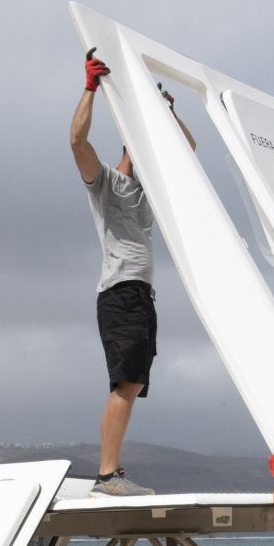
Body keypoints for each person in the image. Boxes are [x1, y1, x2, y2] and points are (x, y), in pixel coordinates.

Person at [72, 48, 196, 497]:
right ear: (131, 148)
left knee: (134, 381)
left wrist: (166, 112)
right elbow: (76, 143)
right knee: (125, 382)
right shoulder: (106, 183)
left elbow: (188, 150)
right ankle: (107, 475)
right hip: (120, 292)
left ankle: (111, 472)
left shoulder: (149, 191)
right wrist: (89, 89)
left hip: (141, 295)